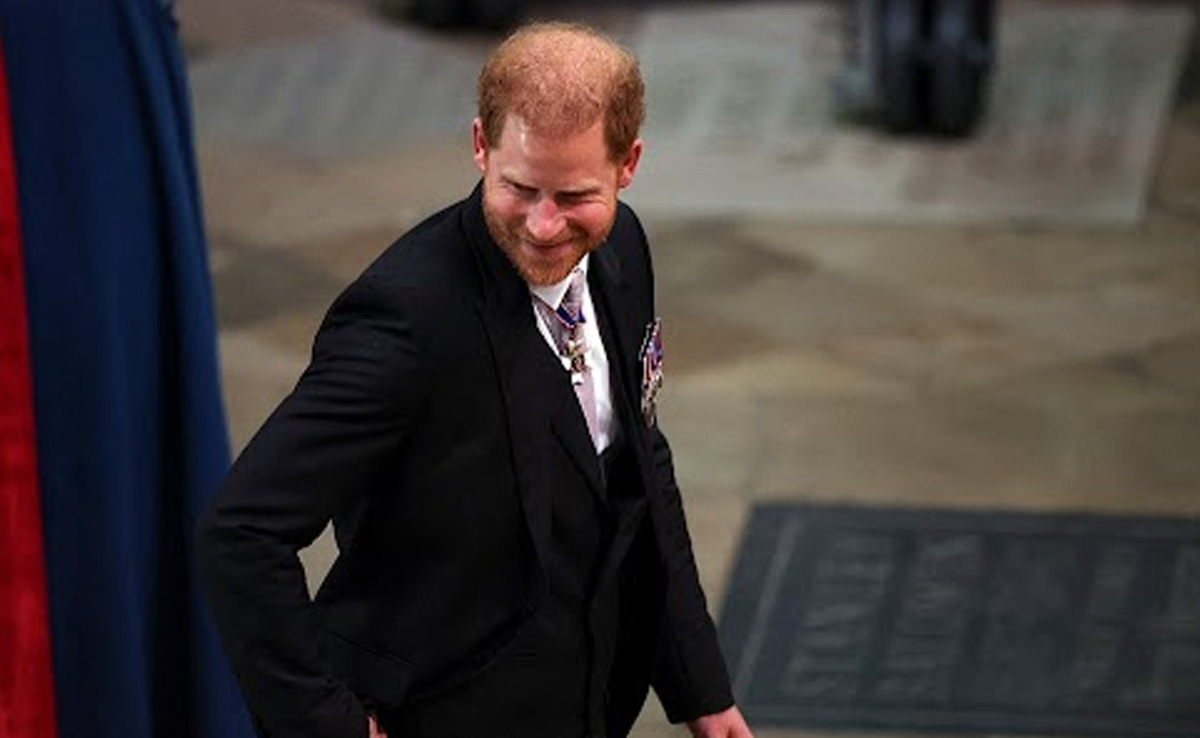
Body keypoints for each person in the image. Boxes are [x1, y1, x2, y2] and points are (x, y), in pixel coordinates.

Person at [196, 21, 753, 738]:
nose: (545, 226)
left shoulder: (626, 255)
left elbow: (642, 470)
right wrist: (327, 725)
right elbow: (240, 532)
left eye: (574, 195)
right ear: (480, 147)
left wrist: (700, 685)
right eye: (518, 188)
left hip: (585, 703)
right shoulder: (406, 319)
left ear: (628, 165)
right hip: (440, 706)